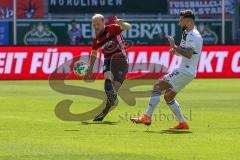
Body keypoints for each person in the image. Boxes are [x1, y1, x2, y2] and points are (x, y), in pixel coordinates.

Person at [131, 10, 203, 130]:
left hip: (185, 70)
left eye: (181, 20)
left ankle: (147, 116)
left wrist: (174, 47)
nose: (179, 23)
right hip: (188, 71)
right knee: (168, 97)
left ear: (188, 21)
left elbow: (189, 54)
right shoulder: (187, 33)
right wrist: (176, 51)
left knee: (157, 86)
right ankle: (182, 123)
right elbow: (184, 52)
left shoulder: (193, 35)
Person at [86, 14, 131, 121]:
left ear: (103, 23)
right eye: (94, 24)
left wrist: (122, 23)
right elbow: (94, 53)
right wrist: (90, 68)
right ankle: (106, 107)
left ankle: (104, 112)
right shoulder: (96, 39)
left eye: (98, 24)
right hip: (108, 61)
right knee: (108, 81)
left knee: (112, 94)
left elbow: (127, 27)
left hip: (121, 61)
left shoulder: (113, 28)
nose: (96, 26)